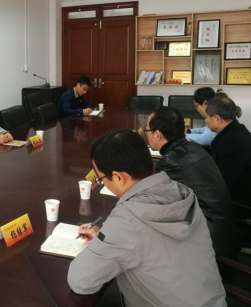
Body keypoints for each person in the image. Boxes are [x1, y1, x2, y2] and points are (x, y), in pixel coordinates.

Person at [67, 129, 226, 307]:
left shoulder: (128, 219)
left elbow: (81, 281)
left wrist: (104, 243)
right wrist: (108, 239)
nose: (101, 182)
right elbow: (151, 243)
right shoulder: (181, 191)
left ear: (118, 177)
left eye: (101, 179)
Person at [146, 106, 239, 257]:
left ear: (157, 134)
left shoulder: (171, 162)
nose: (146, 135)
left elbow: (165, 208)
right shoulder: (192, 147)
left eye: (147, 131)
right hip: (224, 228)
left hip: (210, 238)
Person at [205, 96, 251, 205]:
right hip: (244, 191)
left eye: (206, 117)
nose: (205, 121)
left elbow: (221, 183)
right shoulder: (236, 130)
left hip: (238, 202)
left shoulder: (232, 141)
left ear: (217, 119)